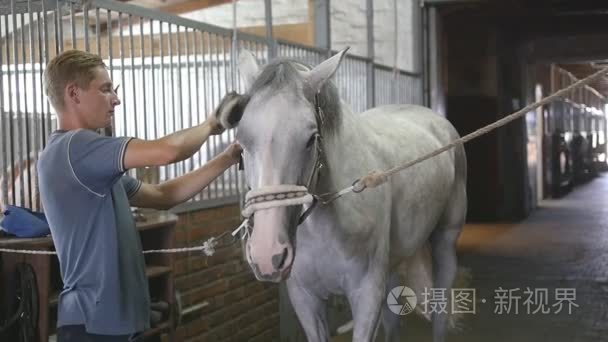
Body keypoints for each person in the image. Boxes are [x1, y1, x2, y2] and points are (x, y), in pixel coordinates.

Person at [37, 49, 243, 341]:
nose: (116, 99)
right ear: (74, 93)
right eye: (106, 89)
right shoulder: (75, 147)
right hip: (95, 323)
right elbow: (167, 152)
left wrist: (228, 157)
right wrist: (212, 124)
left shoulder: (85, 163)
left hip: (112, 321)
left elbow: (163, 195)